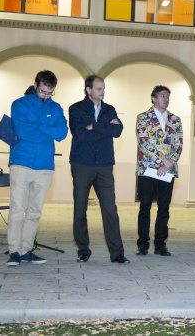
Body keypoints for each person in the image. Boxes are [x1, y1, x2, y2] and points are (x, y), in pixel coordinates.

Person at [7, 70, 68, 267]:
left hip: (45, 166)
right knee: (18, 209)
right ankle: (14, 251)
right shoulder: (19, 104)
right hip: (21, 162)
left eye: (50, 93)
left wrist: (38, 127)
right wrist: (46, 130)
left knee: (35, 211)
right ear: (35, 85)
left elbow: (62, 133)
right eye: (43, 92)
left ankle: (26, 250)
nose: (46, 96)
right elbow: (21, 130)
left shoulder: (56, 108)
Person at [68, 75, 129, 264]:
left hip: (104, 166)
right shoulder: (75, 108)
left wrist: (93, 126)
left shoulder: (110, 109)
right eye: (99, 88)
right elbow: (79, 133)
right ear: (88, 90)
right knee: (80, 209)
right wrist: (103, 128)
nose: (103, 92)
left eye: (103, 88)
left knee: (110, 209)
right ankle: (83, 249)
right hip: (82, 164)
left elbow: (117, 131)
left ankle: (117, 252)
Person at [135, 85, 183, 257]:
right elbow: (144, 142)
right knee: (145, 206)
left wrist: (170, 162)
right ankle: (143, 244)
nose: (166, 99)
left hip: (168, 169)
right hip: (147, 169)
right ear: (154, 98)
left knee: (164, 208)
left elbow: (179, 144)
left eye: (168, 96)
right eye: (163, 95)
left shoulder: (175, 119)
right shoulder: (143, 118)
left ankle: (160, 244)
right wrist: (161, 160)